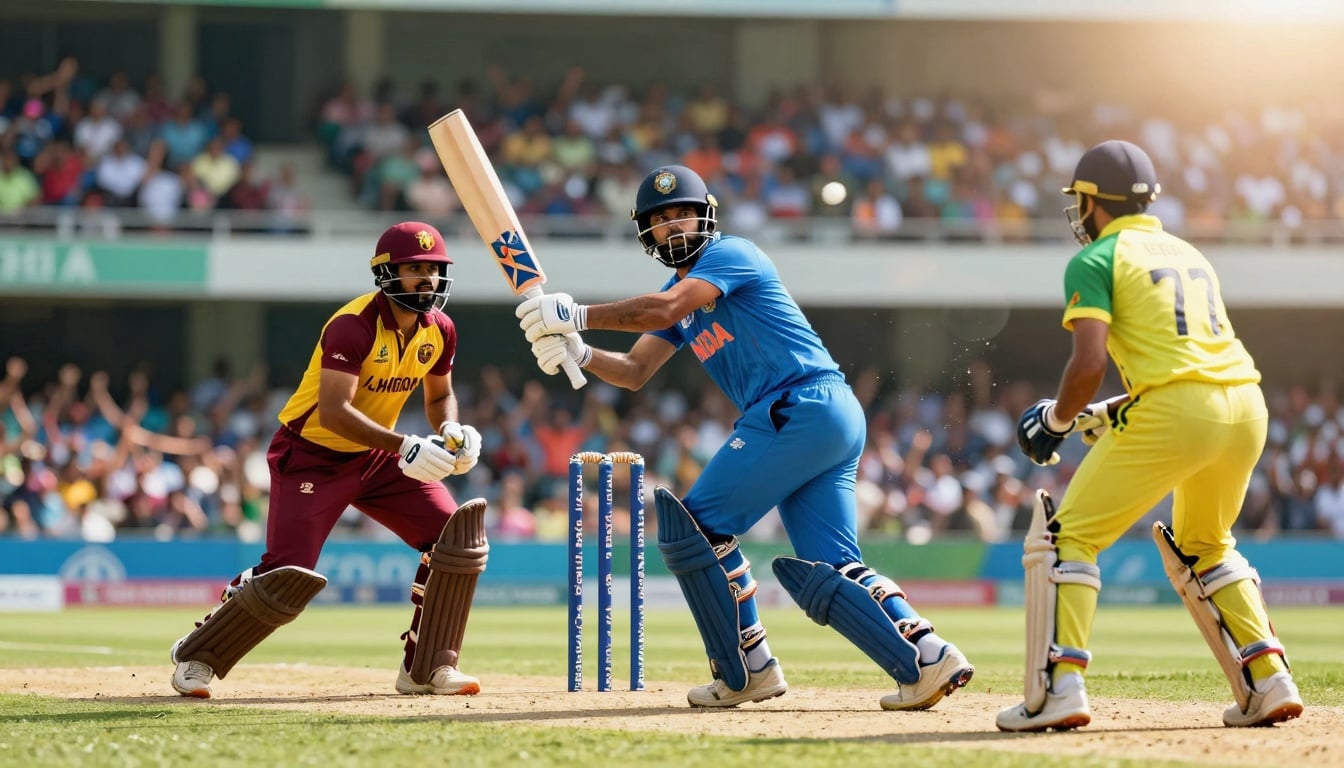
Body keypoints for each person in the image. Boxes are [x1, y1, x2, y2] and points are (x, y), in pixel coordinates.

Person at [516, 165, 974, 710]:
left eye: (682, 211)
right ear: (647, 234)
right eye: (660, 220)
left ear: (706, 213)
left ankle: (747, 670)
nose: (673, 225)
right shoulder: (677, 293)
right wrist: (581, 353)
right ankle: (927, 653)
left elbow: (665, 308)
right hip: (820, 415)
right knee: (832, 564)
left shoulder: (732, 254)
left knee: (695, 530)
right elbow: (637, 370)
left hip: (797, 404)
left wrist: (578, 314)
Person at [996, 141, 1303, 732]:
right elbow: (1191, 360)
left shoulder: (1097, 259)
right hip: (1244, 406)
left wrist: (1056, 421)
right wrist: (1111, 411)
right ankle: (1268, 679)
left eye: (1080, 201)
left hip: (1178, 411)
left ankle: (1058, 690)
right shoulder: (1187, 251)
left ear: (1092, 201)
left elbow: (1087, 366)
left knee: (1066, 539)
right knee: (1207, 546)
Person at [169, 221, 489, 699]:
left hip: (376, 456)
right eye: (415, 269)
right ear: (386, 273)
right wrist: (404, 445)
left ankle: (427, 668)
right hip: (312, 454)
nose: (427, 279)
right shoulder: (352, 326)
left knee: (457, 539)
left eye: (434, 269)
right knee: (286, 574)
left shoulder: (440, 329)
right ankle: (198, 655)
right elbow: (336, 413)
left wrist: (449, 430)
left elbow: (440, 396)